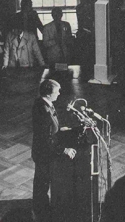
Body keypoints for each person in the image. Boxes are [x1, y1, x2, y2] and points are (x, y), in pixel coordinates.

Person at [32, 79, 76, 222]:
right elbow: (46, 139)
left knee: (42, 183)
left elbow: (49, 129)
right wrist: (64, 150)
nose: (59, 93)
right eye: (57, 91)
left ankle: (41, 209)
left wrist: (59, 130)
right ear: (49, 94)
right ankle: (41, 213)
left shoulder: (43, 103)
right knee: (42, 183)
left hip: (43, 151)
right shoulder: (43, 110)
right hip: (44, 153)